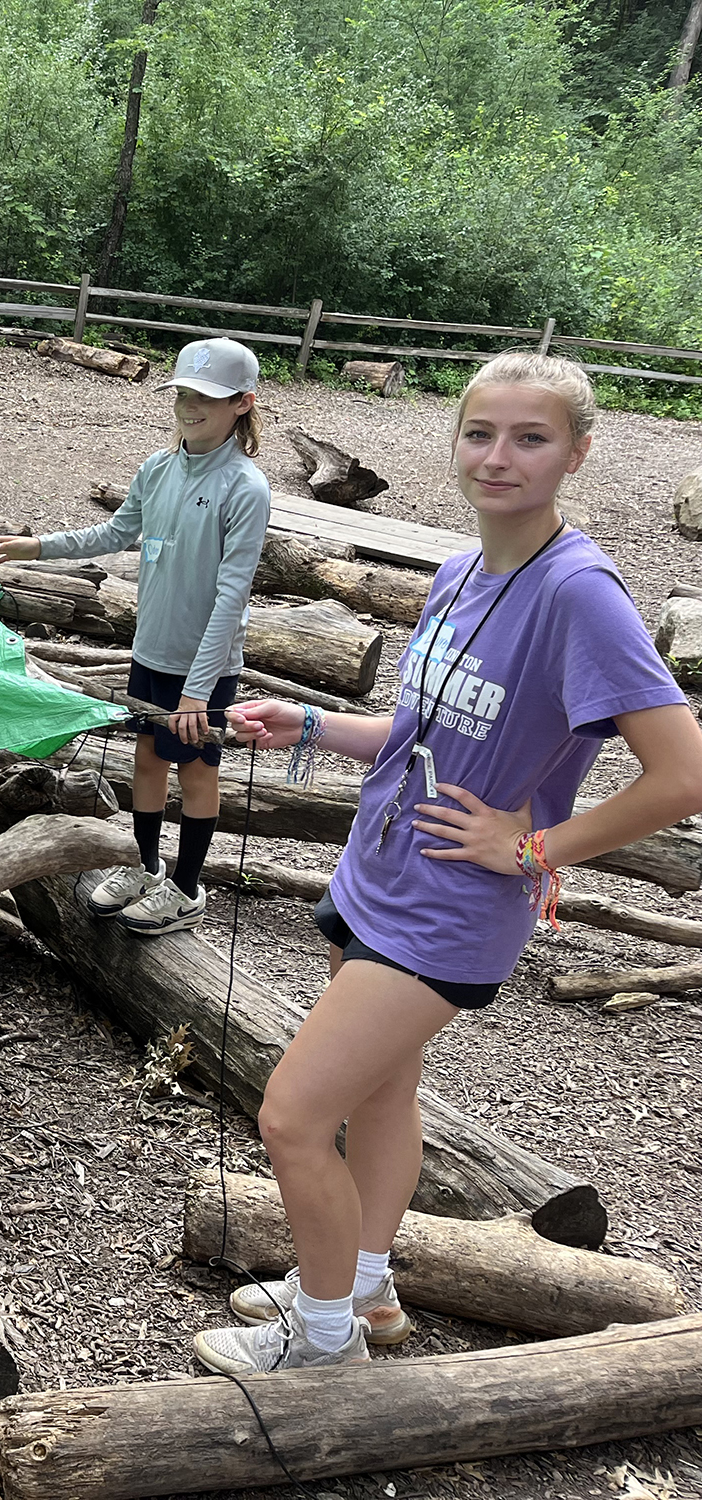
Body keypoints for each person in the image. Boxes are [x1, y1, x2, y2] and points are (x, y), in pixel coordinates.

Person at [196, 350, 702, 1373]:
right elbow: (419, 729)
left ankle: (322, 1336)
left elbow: (681, 773)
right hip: (378, 874)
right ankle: (365, 1286)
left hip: (450, 909)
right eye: (479, 433)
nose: (497, 457)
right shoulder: (461, 569)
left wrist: (530, 849)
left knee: (290, 1116)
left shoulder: (577, 593)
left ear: (576, 452)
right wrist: (304, 723)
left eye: (529, 437)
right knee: (381, 1096)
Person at [0, 337, 270, 935]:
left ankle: (187, 889)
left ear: (242, 404)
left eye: (207, 398)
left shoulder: (244, 487)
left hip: (204, 669)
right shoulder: (158, 469)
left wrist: (197, 692)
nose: (191, 407)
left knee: (196, 771)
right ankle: (144, 863)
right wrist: (37, 548)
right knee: (146, 760)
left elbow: (231, 596)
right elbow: (116, 533)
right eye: (184, 394)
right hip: (152, 653)